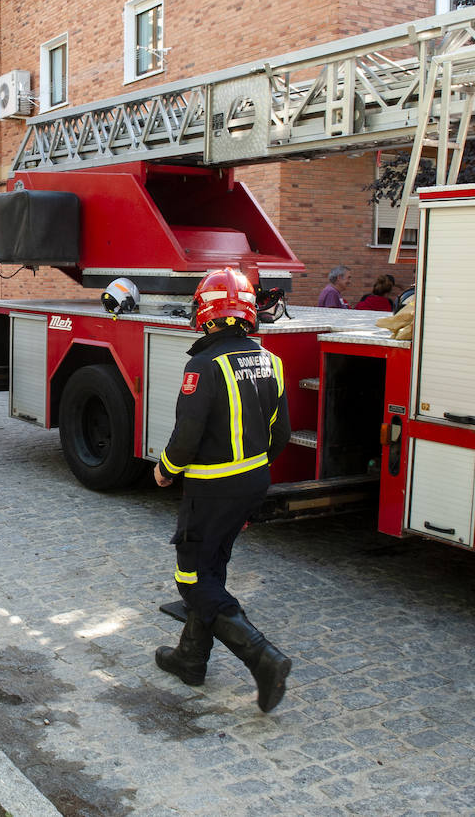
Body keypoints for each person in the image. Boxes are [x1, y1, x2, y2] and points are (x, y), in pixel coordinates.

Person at [153, 267, 293, 713]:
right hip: (253, 481)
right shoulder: (272, 362)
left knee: (191, 579)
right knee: (212, 568)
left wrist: (166, 469)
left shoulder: (203, 364)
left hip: (213, 486)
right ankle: (190, 659)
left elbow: (187, 433)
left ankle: (263, 658)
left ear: (208, 315)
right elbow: (281, 435)